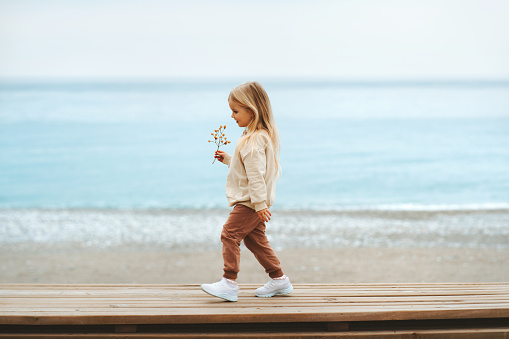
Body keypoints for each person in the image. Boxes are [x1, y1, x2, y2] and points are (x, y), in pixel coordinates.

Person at [200, 81, 293, 302]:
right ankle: (279, 279)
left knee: (229, 234)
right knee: (255, 240)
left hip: (251, 201)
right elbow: (249, 167)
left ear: (251, 110)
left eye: (235, 111)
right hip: (255, 201)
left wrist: (259, 205)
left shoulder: (253, 140)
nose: (232, 116)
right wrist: (229, 160)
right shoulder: (258, 136)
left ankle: (229, 283)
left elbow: (255, 176)